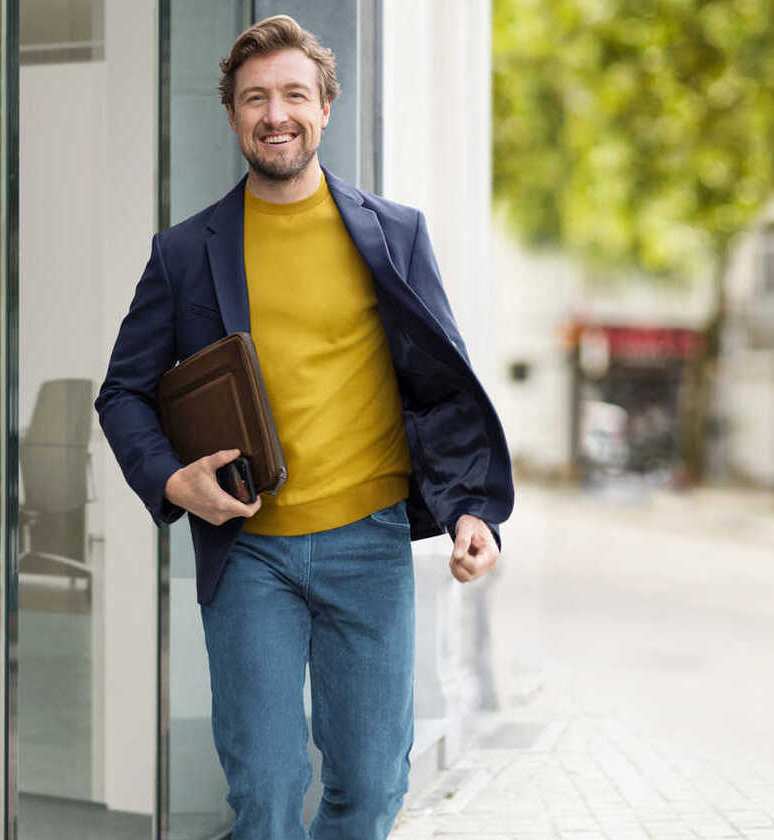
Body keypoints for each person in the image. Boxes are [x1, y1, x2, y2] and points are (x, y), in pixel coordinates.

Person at [94, 15, 514, 840]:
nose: (274, 113)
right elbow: (123, 393)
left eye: (293, 94)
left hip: (370, 544)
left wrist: (474, 511)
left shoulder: (393, 235)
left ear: (325, 108)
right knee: (269, 792)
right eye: (255, 98)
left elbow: (440, 389)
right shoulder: (184, 254)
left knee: (369, 786)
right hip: (250, 554)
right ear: (232, 116)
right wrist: (174, 482)